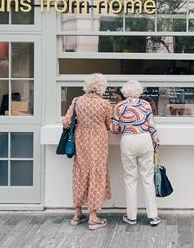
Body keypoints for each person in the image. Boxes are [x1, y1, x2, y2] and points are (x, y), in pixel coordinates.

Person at [62, 73, 112, 230]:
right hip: (98, 142)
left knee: (80, 172)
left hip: (81, 140)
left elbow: (66, 122)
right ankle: (93, 217)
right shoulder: (105, 104)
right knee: (96, 173)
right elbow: (110, 125)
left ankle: (77, 213)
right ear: (101, 87)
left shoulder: (77, 101)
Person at [111, 80, 161, 226]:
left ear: (125, 92)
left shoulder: (119, 106)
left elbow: (115, 129)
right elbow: (152, 125)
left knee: (130, 179)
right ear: (139, 91)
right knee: (147, 178)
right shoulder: (145, 104)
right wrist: (156, 142)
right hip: (145, 139)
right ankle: (153, 216)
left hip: (128, 141)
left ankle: (132, 217)